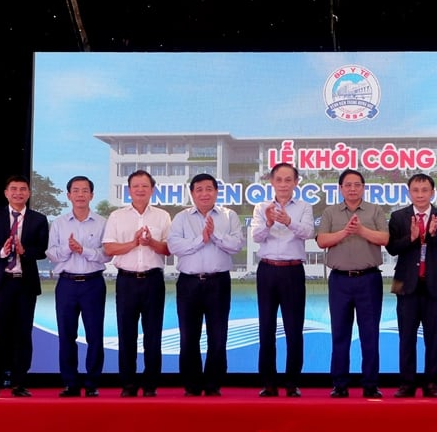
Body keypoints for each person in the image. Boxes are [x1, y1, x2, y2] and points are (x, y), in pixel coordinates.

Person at [167, 173, 246, 397]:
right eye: (199, 189)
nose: (204, 193)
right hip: (189, 282)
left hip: (218, 282)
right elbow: (175, 246)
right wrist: (201, 239)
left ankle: (213, 384)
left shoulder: (229, 216)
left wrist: (215, 235)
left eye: (209, 189)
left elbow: (236, 245)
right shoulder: (181, 218)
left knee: (218, 335)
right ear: (192, 193)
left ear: (216, 192)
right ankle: (191, 384)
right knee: (188, 335)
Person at [316, 169, 389, 399]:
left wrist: (360, 230)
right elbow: (321, 241)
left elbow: (384, 239)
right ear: (340, 188)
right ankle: (339, 384)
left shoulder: (375, 210)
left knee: (370, 334)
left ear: (363, 187)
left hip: (369, 279)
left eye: (357, 184)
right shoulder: (330, 212)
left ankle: (370, 384)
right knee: (339, 333)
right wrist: (345, 232)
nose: (352, 188)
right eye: (347, 185)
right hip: (339, 281)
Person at [385, 173, 437, 398]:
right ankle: (406, 383)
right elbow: (392, 248)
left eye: (425, 190)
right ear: (409, 193)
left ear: (432, 192)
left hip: (435, 285)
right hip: (404, 284)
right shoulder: (398, 217)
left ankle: (431, 383)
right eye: (416, 190)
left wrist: (434, 235)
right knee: (406, 337)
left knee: (434, 338)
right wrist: (412, 237)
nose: (420, 194)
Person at [0, 174, 49, 398]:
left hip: (24, 284)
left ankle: (19, 382)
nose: (18, 193)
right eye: (14, 189)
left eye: (23, 189)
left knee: (22, 334)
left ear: (28, 193)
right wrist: (1, 250)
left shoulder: (38, 219)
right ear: (6, 193)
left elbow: (42, 250)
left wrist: (23, 251)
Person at [102, 170, 171, 397]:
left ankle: (151, 384)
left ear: (152, 189)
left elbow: (169, 250)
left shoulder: (162, 216)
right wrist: (133, 243)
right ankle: (128, 384)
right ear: (128, 190)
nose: (140, 190)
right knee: (127, 334)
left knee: (153, 334)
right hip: (127, 281)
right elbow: (109, 248)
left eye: (145, 186)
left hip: (153, 280)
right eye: (135, 186)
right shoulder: (117, 216)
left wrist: (150, 242)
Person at [251, 163, 315, 398]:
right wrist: (268, 222)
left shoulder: (304, 207)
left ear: (296, 182)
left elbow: (308, 233)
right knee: (266, 327)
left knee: (294, 328)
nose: (284, 184)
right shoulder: (261, 207)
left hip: (292, 271)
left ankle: (292, 383)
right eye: (279, 180)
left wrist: (289, 221)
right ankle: (268, 383)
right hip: (267, 270)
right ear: (272, 182)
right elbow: (256, 236)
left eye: (289, 180)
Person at [46, 176, 112, 398]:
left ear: (92, 195)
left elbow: (106, 255)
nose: (81, 194)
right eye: (76, 190)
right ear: (68, 195)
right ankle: (70, 383)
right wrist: (69, 248)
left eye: (85, 190)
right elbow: (52, 254)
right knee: (66, 335)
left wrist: (83, 250)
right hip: (66, 283)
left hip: (93, 283)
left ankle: (92, 382)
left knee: (95, 335)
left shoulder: (103, 222)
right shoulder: (59, 223)